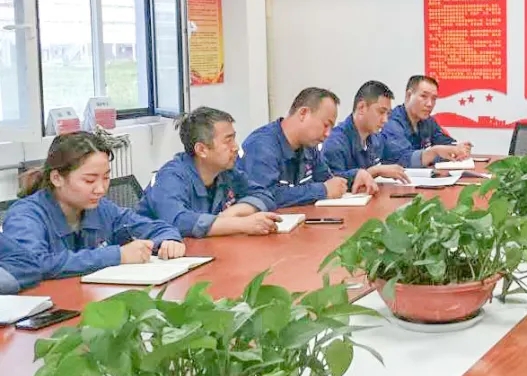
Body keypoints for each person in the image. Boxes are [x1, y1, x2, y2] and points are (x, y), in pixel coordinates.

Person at [2, 132, 185, 280]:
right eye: (89, 180)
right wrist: (117, 255)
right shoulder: (26, 215)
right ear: (57, 178)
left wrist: (169, 240)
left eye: (106, 178)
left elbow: (154, 227)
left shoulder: (102, 209)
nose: (101, 189)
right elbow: (32, 264)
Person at [137, 107, 282, 238]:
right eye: (228, 141)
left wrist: (234, 213)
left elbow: (264, 195)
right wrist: (241, 224)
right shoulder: (170, 177)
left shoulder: (226, 172)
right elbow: (178, 221)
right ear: (201, 150)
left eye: (234, 139)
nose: (236, 147)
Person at [238, 87, 377, 209]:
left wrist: (355, 175)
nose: (328, 134)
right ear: (303, 113)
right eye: (325, 125)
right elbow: (265, 196)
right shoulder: (262, 146)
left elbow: (326, 180)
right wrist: (321, 191)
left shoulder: (308, 146)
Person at [323, 80, 409, 183]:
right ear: (361, 108)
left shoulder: (376, 138)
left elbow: (398, 155)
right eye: (381, 112)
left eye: (388, 114)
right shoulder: (335, 142)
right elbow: (333, 182)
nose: (385, 120)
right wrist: (374, 171)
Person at [381, 75, 470, 168]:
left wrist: (458, 148)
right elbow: (404, 160)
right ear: (409, 95)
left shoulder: (428, 121)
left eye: (434, 98)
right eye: (424, 96)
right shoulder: (391, 123)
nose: (429, 104)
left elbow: (444, 142)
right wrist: (434, 152)